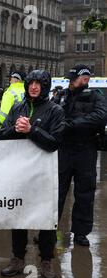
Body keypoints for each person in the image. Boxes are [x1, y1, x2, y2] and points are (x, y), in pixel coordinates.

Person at [0, 70, 65, 278]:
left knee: (46, 219)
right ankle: (18, 258)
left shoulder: (55, 110)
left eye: (39, 83)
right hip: (20, 172)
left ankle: (46, 260)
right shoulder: (18, 107)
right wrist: (16, 130)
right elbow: (3, 134)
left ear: (45, 86)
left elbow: (55, 142)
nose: (34, 87)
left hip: (44, 174)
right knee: (18, 216)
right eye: (31, 83)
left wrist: (31, 130)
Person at [55, 65, 107, 247]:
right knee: (57, 192)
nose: (87, 79)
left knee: (84, 193)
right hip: (63, 150)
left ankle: (80, 233)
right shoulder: (61, 96)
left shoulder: (95, 96)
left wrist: (73, 124)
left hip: (86, 149)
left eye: (88, 77)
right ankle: (49, 230)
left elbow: (100, 117)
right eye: (83, 76)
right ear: (72, 78)